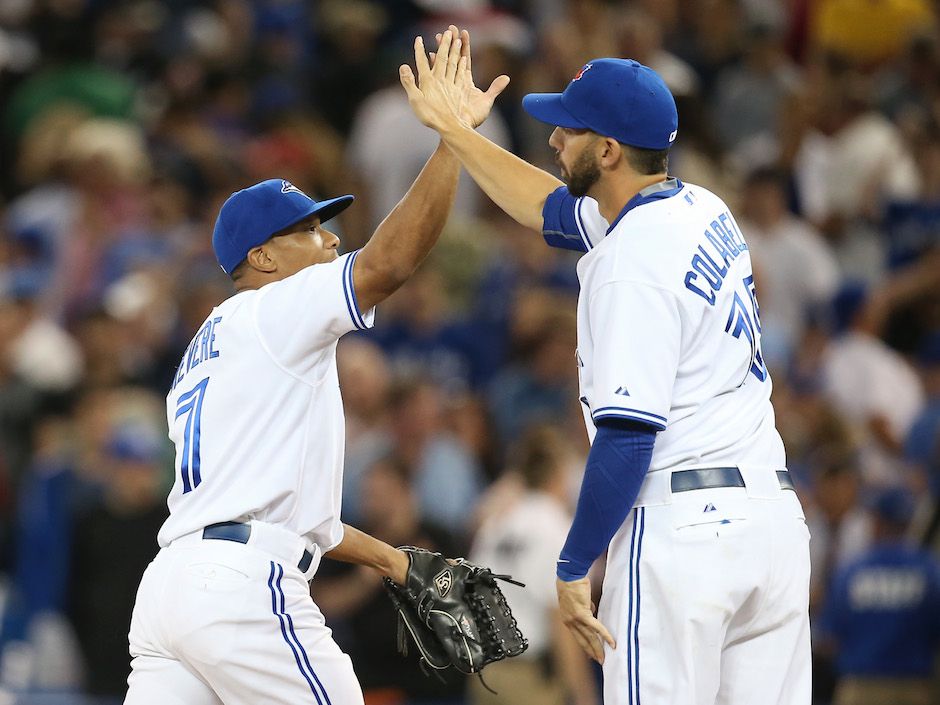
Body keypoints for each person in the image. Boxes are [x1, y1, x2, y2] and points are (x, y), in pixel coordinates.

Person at [400, 50, 811, 703]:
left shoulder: (629, 261)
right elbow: (550, 211)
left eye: (571, 128)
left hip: (684, 529)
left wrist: (571, 564)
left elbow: (626, 435)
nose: (555, 138)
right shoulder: (701, 208)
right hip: (772, 527)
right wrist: (457, 133)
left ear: (611, 151)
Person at [123, 28, 509, 705]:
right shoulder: (274, 310)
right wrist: (454, 140)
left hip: (171, 590)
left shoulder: (207, 348)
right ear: (264, 259)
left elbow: (293, 514)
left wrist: (393, 559)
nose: (331, 240)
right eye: (309, 230)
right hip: (241, 588)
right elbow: (390, 263)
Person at [819, 487, 940, 705]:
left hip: (861, 687)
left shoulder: (852, 571)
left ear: (876, 522)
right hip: (914, 687)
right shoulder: (928, 570)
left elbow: (829, 639)